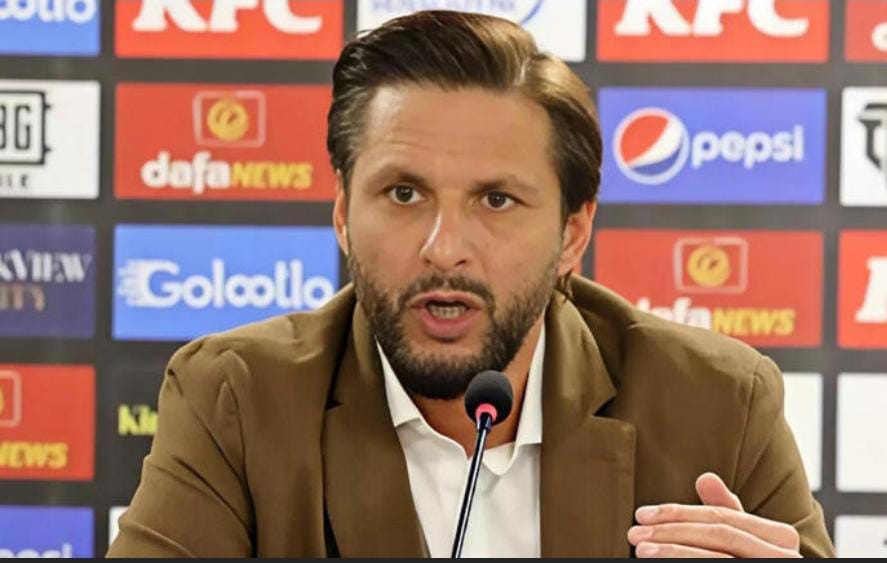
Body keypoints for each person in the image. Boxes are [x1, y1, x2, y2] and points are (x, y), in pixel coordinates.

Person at [108, 10, 834, 558]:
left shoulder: (718, 402)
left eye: (496, 200)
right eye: (403, 194)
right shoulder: (237, 399)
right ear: (342, 213)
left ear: (572, 233)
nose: (444, 248)